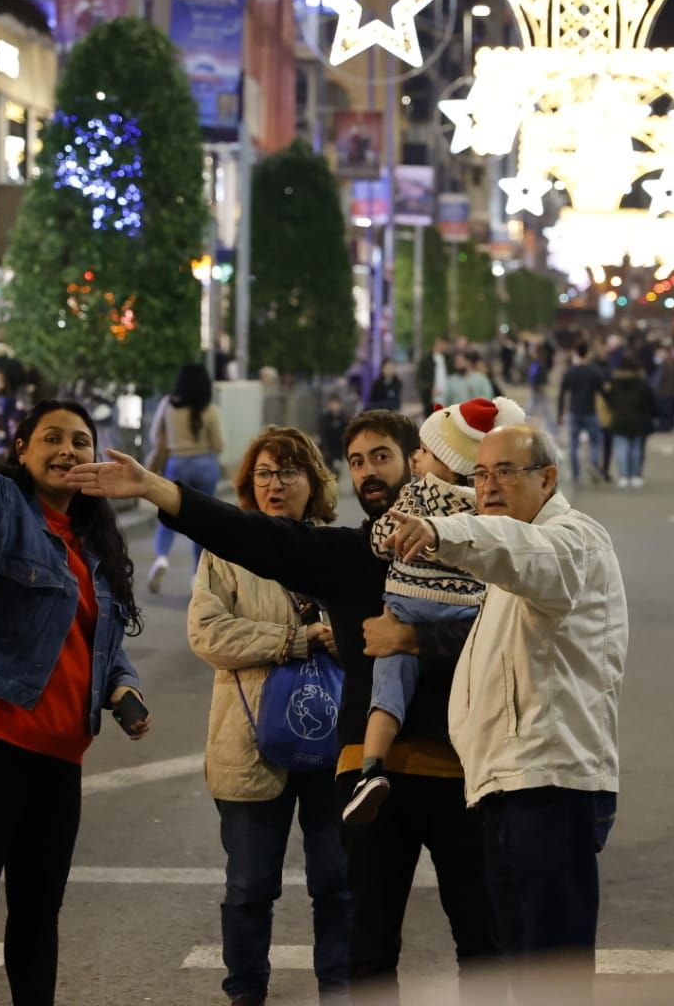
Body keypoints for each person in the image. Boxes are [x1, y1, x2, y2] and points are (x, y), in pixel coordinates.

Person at [69, 410, 498, 997]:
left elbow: (510, 637)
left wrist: (417, 639)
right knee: (368, 949)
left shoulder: (481, 543)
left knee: (483, 938)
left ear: (418, 462)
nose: (369, 473)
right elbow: (250, 535)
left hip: (461, 768)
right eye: (356, 461)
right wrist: (155, 488)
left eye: (383, 457)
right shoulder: (352, 555)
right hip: (369, 775)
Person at [0, 401, 149, 1006]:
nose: (67, 450)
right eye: (51, 438)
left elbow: (100, 641)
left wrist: (122, 686)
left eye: (79, 440)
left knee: (38, 912)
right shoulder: (0, 509)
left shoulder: (94, 542)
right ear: (21, 449)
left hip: (57, 747)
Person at [379, 424, 626, 986]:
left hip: (550, 785)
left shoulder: (570, 541)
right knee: (518, 970)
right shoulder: (512, 552)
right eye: (481, 473)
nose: (487, 486)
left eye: (504, 473)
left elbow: (519, 550)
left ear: (548, 478)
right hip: (506, 786)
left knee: (550, 978)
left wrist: (439, 532)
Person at [188, 426, 351, 1006]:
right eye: (263, 473)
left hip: (335, 739)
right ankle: (245, 990)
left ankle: (339, 984)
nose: (275, 484)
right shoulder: (226, 552)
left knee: (337, 878)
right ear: (248, 483)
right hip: (250, 739)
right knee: (251, 884)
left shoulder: (341, 548)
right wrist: (297, 639)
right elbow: (207, 633)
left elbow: (376, 631)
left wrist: (347, 637)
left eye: (289, 472)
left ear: (313, 482)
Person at [347, 397, 525, 822]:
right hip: (468, 609)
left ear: (442, 460)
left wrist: (386, 537)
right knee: (474, 685)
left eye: (423, 452)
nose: (417, 459)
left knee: (388, 684)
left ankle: (371, 767)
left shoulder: (418, 493)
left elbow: (381, 539)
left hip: (408, 607)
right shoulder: (485, 504)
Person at [147, 363, 224, 592]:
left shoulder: (168, 405)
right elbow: (218, 444)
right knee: (201, 521)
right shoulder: (208, 409)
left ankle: (161, 558)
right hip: (205, 465)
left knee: (170, 513)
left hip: (177, 465)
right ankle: (195, 576)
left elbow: (154, 437)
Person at [558, 342, 609, 484]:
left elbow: (562, 393)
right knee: (596, 440)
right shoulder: (594, 371)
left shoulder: (570, 371)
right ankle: (593, 461)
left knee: (573, 443)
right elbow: (602, 391)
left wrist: (560, 414)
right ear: (587, 354)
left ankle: (576, 474)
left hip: (574, 411)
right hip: (590, 411)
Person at [606, 358, 655, 489]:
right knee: (635, 449)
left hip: (619, 420)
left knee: (621, 449)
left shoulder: (614, 383)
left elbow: (610, 400)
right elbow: (649, 403)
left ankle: (623, 476)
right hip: (638, 420)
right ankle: (635, 476)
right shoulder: (642, 384)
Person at [318, 395, 350, 479]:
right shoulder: (325, 418)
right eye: (332, 404)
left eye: (336, 404)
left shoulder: (345, 418)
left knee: (338, 468)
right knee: (329, 468)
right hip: (328, 447)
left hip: (340, 447)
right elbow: (322, 433)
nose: (334, 406)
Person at [417, 336, 450, 415]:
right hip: (431, 401)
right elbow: (420, 380)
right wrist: (430, 389)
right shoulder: (425, 362)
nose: (445, 346)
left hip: (448, 401)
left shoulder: (449, 360)